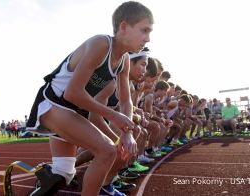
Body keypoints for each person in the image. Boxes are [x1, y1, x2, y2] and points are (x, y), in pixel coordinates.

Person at [26, 1, 154, 195]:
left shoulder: (125, 60)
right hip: (53, 103)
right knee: (108, 151)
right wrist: (114, 116)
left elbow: (126, 101)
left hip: (72, 111)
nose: (148, 38)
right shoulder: (101, 44)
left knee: (62, 176)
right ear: (124, 27)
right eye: (144, 30)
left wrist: (127, 132)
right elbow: (72, 93)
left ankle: (46, 179)